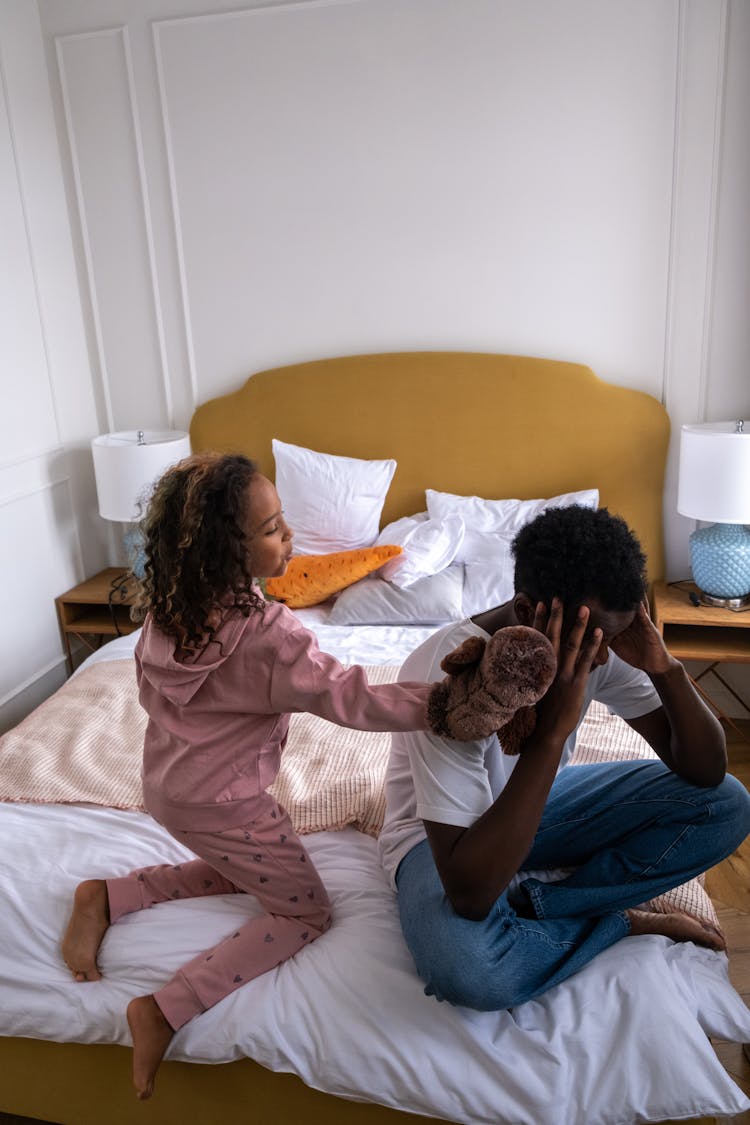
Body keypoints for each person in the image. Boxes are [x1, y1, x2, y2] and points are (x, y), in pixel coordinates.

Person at [61, 452, 499, 1100]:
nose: (289, 536)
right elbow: (353, 698)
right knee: (306, 911)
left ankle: (111, 895)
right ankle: (164, 1007)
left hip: (168, 788)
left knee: (238, 862)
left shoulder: (167, 615)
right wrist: (438, 704)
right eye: (272, 528)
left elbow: (158, 698)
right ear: (224, 551)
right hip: (225, 802)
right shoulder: (271, 637)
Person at [378, 504, 750, 1012]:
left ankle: (545, 906)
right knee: (470, 970)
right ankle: (619, 921)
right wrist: (551, 733)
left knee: (727, 804)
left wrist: (664, 666)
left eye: (615, 637)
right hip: (438, 839)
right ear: (531, 611)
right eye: (597, 640)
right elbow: (469, 892)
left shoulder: (603, 642)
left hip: (537, 809)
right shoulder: (447, 674)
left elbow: (706, 771)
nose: (604, 656)